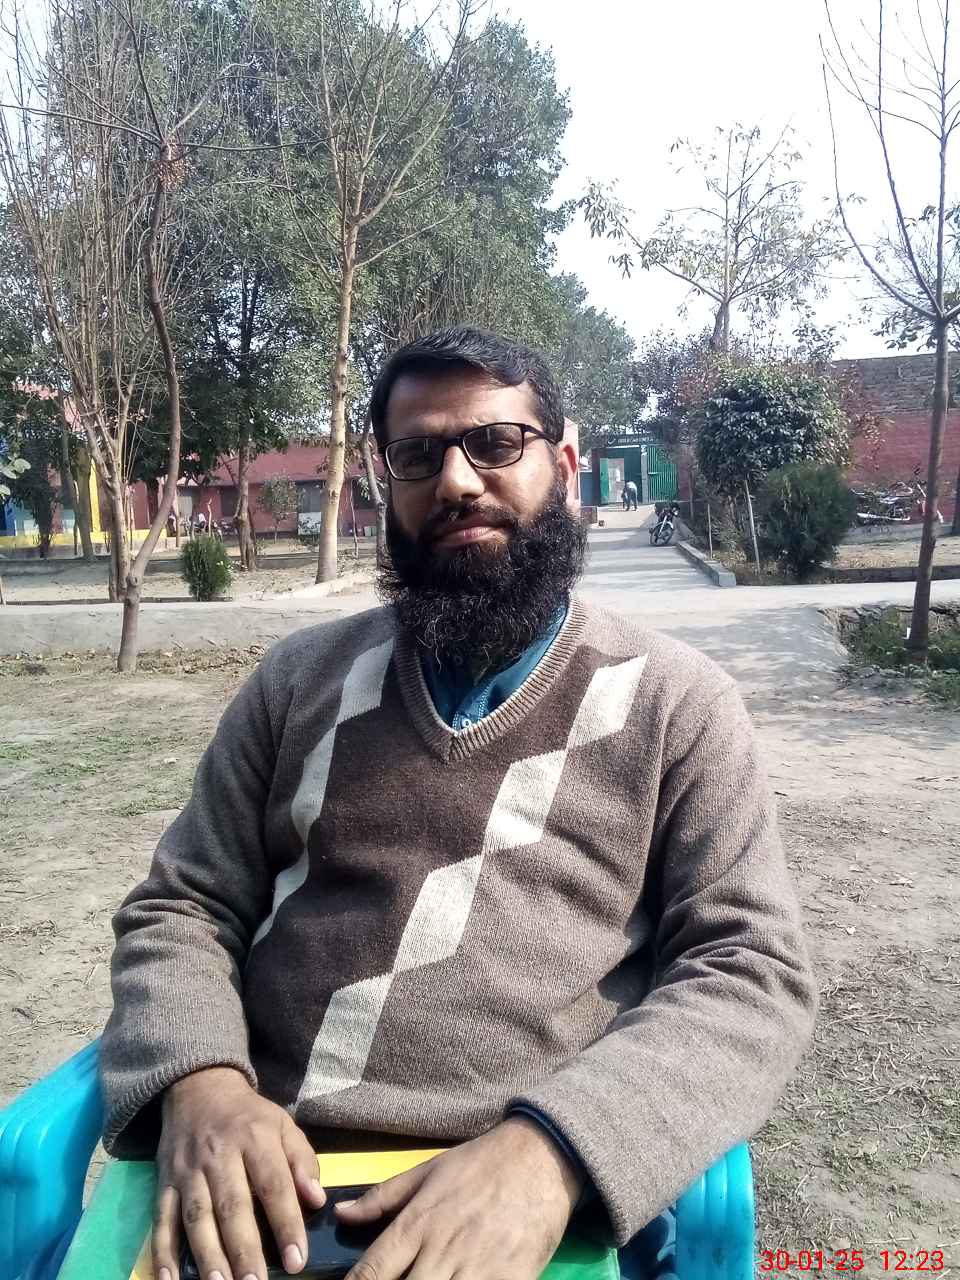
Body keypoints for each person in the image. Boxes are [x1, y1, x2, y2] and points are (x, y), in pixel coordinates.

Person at [100, 327, 817, 1280]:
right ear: (383, 481)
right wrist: (203, 1082)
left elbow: (750, 970)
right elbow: (182, 905)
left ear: (565, 464)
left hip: (525, 1195)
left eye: (495, 443)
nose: (456, 481)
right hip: (266, 1179)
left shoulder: (677, 704)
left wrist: (552, 1154)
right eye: (418, 454)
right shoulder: (296, 683)